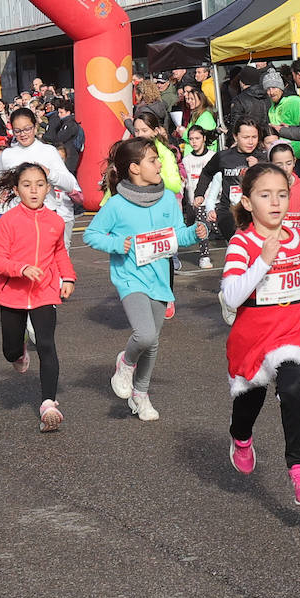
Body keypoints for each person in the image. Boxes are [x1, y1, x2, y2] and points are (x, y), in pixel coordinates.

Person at [221, 163, 300, 504]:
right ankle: (241, 438)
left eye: (282, 194)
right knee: (248, 402)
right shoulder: (242, 244)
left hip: (292, 327)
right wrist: (262, 261)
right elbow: (230, 295)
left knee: (293, 388)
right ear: (248, 202)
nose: (276, 202)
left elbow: (298, 263)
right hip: (253, 333)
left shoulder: (296, 236)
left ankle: (299, 468)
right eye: (265, 195)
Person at [85, 138, 206, 421]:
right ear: (135, 168)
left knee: (152, 343)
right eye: (153, 160)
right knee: (145, 334)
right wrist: (118, 244)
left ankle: (141, 393)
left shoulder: (167, 198)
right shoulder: (116, 205)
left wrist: (195, 232)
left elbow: (177, 235)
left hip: (160, 278)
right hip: (130, 278)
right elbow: (91, 235)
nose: (160, 164)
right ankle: (125, 363)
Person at [0, 162, 77, 432]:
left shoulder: (55, 221)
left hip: (44, 292)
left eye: (39, 185)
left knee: (48, 345)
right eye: (27, 186)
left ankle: (48, 403)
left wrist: (68, 277)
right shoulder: (7, 222)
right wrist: (21, 269)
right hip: (12, 294)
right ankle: (19, 352)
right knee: (10, 350)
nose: (34, 191)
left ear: (48, 188)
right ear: (16, 190)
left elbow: (60, 252)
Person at [0, 107, 83, 247]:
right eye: (18, 131)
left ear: (35, 127)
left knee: (47, 261)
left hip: (46, 215)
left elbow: (69, 184)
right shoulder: (8, 154)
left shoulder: (48, 151)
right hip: (17, 217)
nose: (23, 134)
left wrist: (50, 174)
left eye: (27, 128)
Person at [194, 117, 262, 268]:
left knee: (252, 251)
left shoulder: (261, 156)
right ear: (236, 136)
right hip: (229, 213)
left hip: (255, 212)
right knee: (238, 247)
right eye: (245, 137)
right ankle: (234, 282)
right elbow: (207, 172)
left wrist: (258, 167)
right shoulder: (223, 157)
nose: (250, 142)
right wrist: (199, 193)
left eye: (254, 137)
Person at [263, 69, 300, 156]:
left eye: (274, 88)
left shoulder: (294, 102)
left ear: (281, 88)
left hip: (297, 155)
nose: (271, 92)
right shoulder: (271, 109)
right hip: (280, 155)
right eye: (268, 89)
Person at [228, 65, 271, 136]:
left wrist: (229, 138)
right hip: (267, 137)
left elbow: (235, 125)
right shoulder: (268, 96)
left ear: (242, 82)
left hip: (248, 138)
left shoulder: (239, 100)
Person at [181, 125, 216, 206]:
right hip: (192, 203)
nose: (194, 142)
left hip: (211, 204)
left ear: (204, 138)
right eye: (191, 139)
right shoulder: (186, 160)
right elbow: (184, 182)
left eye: (197, 138)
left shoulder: (213, 157)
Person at [181, 86, 219, 152]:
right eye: (188, 99)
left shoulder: (206, 117)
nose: (189, 101)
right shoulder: (195, 115)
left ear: (201, 100)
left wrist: (184, 133)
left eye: (192, 99)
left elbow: (202, 140)